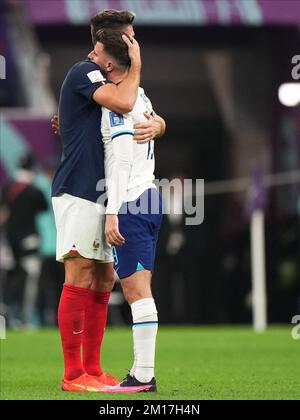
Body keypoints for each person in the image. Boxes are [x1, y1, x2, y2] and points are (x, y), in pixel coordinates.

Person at [52, 10, 166, 393]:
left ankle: (94, 369)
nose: (133, 41)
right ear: (109, 48)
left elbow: (135, 106)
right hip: (78, 190)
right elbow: (122, 103)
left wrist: (160, 124)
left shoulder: (107, 78)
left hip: (103, 195)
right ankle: (72, 374)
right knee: (79, 275)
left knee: (102, 281)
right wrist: (136, 67)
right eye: (129, 38)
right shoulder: (84, 71)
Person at [98, 29, 164, 392]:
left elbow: (121, 159)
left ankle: (144, 375)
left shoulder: (117, 103)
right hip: (150, 196)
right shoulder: (139, 94)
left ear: (110, 64)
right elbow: (155, 123)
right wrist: (161, 124)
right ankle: (141, 372)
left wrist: (112, 211)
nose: (91, 60)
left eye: (95, 54)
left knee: (137, 292)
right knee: (142, 288)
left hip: (132, 201)